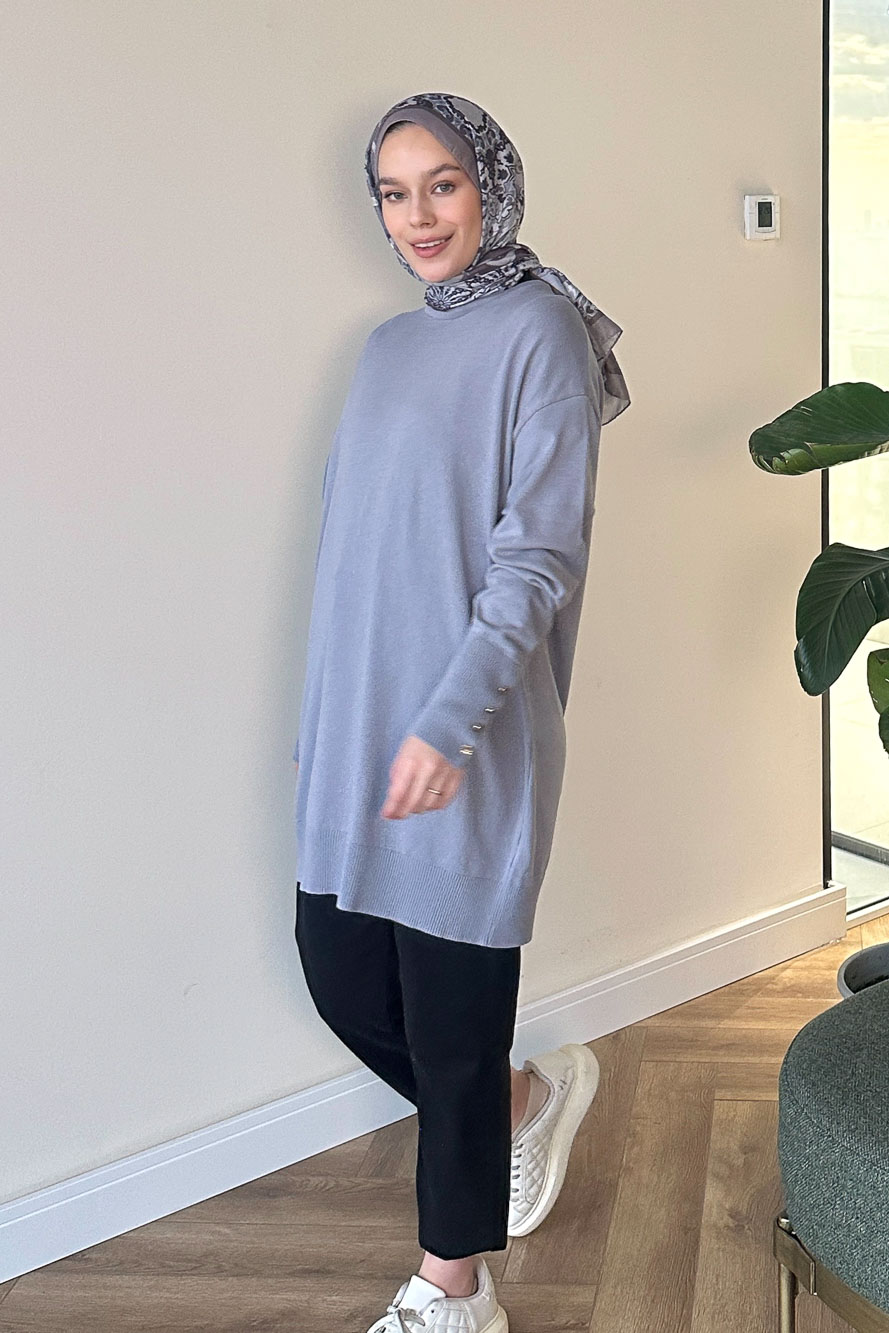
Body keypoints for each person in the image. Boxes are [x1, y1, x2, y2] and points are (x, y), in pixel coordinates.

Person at [291, 91, 629, 1333]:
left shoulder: (542, 330)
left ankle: (454, 1292)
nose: (418, 215)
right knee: (341, 980)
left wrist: (448, 720)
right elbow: (352, 558)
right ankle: (524, 1102)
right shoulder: (386, 349)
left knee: (447, 1024)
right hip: (358, 737)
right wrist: (327, 725)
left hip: (468, 735)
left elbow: (538, 558)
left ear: (491, 183)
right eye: (394, 192)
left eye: (442, 183)